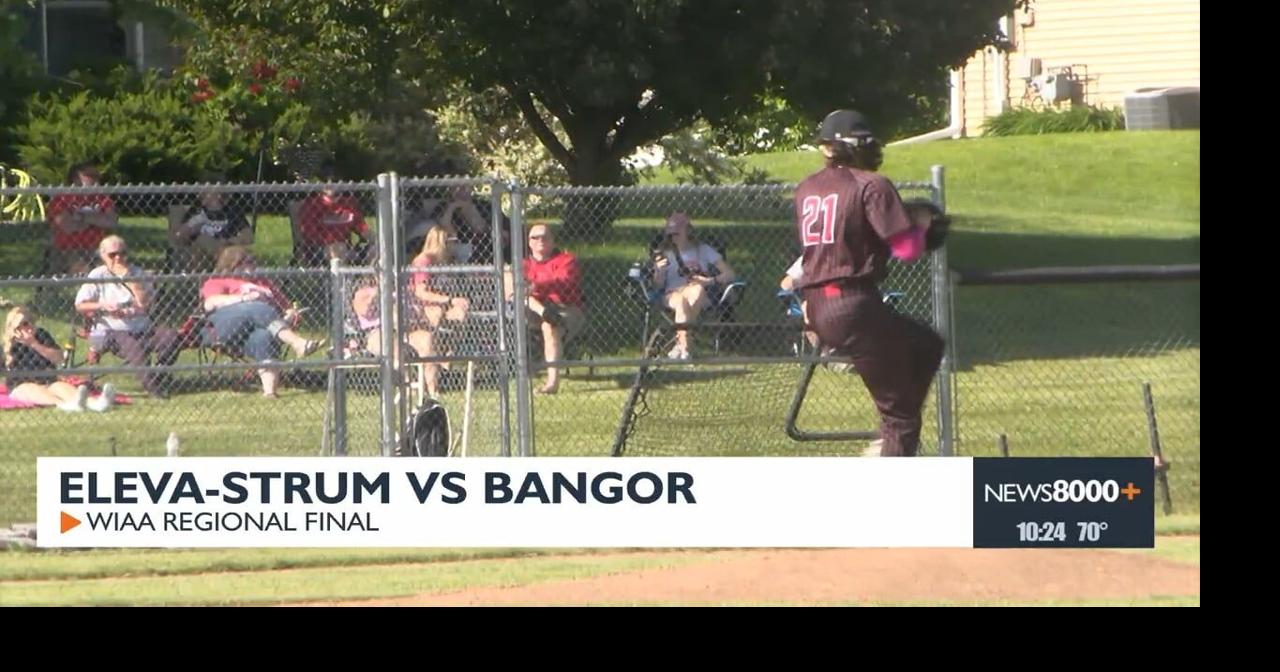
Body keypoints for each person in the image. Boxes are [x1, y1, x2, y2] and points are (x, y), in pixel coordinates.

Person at [791, 109, 946, 457]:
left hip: (818, 302)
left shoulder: (806, 188)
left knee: (926, 344)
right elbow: (906, 250)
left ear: (827, 149)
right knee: (902, 418)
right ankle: (887, 459)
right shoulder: (872, 185)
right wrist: (920, 226)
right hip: (853, 302)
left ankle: (889, 431)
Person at [199, 247, 324, 398]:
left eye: (253, 261)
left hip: (258, 328)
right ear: (232, 264)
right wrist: (244, 299)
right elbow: (210, 303)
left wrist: (290, 315)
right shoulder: (219, 281)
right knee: (256, 307)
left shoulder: (264, 283)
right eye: (247, 262)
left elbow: (287, 307)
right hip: (223, 328)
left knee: (264, 336)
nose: (253, 265)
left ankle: (269, 392)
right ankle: (297, 342)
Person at [74, 235, 181, 398]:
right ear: (102, 255)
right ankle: (156, 391)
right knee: (134, 349)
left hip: (142, 327)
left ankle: (160, 376)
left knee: (171, 337)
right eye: (112, 254)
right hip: (111, 330)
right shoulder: (98, 274)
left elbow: (145, 304)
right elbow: (80, 305)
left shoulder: (137, 273)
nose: (118, 258)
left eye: (122, 254)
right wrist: (102, 305)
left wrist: (130, 279)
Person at [649, 212, 736, 359]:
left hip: (700, 293)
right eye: (671, 234)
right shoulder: (664, 253)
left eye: (677, 232)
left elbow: (729, 274)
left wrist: (708, 281)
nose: (674, 237)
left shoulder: (703, 250)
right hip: (673, 293)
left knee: (697, 290)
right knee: (681, 302)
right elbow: (657, 286)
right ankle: (685, 347)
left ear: (688, 231)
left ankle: (681, 347)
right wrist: (658, 271)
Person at [4, 305, 115, 412]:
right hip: (20, 385)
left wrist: (34, 344)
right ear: (16, 328)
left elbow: (59, 358)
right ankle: (66, 405)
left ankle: (95, 403)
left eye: (31, 322)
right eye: (25, 324)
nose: (30, 326)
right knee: (30, 388)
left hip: (48, 381)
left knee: (59, 387)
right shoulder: (9, 346)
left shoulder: (41, 335)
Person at [518, 222, 585, 394]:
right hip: (533, 309)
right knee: (519, 296)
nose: (540, 240)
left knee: (549, 325)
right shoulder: (522, 264)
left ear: (553, 240)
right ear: (529, 242)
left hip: (565, 308)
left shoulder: (566, 260)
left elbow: (562, 283)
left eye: (545, 236)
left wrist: (534, 285)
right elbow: (516, 290)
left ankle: (552, 383)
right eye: (535, 237)